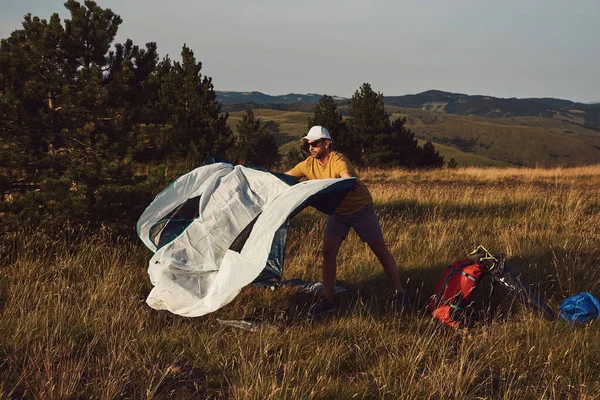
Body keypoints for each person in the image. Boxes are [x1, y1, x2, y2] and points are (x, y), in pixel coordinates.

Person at [285, 125, 411, 316]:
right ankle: (329, 300)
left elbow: (347, 177)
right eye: (309, 144)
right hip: (338, 213)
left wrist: (347, 182)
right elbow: (285, 177)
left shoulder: (338, 159)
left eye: (315, 144)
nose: (311, 147)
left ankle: (400, 292)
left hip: (361, 209)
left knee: (379, 250)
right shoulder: (307, 164)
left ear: (326, 144)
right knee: (328, 252)